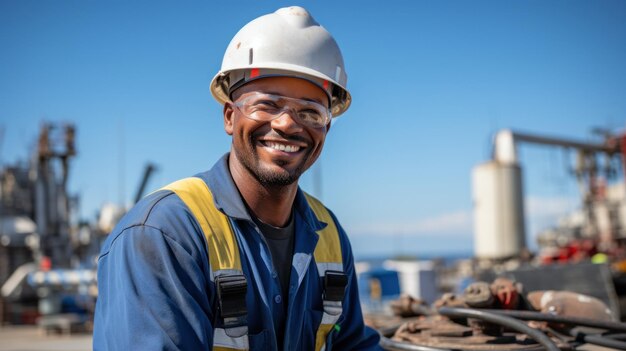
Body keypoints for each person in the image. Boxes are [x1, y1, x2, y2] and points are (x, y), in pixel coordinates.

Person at [93, 6, 381, 351]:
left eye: (310, 112)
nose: (288, 124)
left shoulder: (328, 234)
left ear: (325, 128)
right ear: (230, 116)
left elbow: (352, 344)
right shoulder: (164, 236)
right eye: (267, 104)